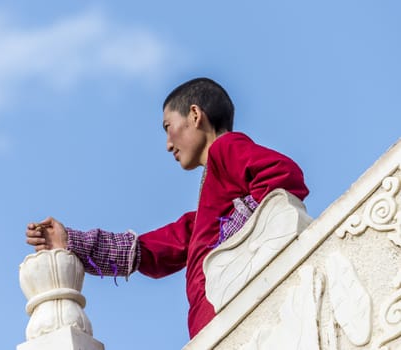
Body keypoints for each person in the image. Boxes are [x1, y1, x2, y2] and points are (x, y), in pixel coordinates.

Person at [25, 77, 309, 338]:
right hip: (215, 328)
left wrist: (229, 244)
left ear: (195, 115)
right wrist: (71, 242)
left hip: (234, 317)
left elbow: (283, 174)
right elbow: (149, 250)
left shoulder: (226, 149)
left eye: (168, 128)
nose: (168, 144)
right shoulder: (208, 217)